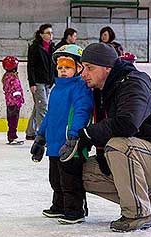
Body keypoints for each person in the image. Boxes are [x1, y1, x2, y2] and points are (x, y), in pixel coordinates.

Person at [60, 43, 151, 232]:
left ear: (108, 68)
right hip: (142, 155)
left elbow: (127, 124)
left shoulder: (132, 84)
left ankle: (137, 213)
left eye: (90, 68)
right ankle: (147, 197)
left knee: (120, 146)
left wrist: (87, 134)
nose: (84, 73)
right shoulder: (101, 91)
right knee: (82, 172)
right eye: (83, 67)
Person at [30, 44, 93, 224]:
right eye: (60, 67)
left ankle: (75, 210)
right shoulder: (57, 89)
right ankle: (59, 206)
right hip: (55, 144)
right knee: (56, 179)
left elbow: (82, 111)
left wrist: (74, 136)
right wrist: (41, 137)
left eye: (68, 67)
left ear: (78, 68)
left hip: (71, 144)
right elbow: (50, 115)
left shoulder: (80, 88)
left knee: (70, 180)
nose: (63, 71)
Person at [25, 24, 55, 141]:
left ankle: (30, 132)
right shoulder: (35, 48)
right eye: (48, 33)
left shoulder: (52, 47)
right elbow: (31, 66)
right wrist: (32, 83)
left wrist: (53, 79)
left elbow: (53, 65)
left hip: (48, 82)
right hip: (38, 82)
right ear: (41, 35)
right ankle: (43, 134)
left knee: (38, 106)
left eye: (51, 33)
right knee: (42, 107)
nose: (50, 35)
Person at [1, 56, 25, 145]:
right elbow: (16, 91)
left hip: (9, 103)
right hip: (14, 103)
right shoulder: (13, 79)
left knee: (11, 120)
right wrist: (20, 100)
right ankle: (12, 136)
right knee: (13, 121)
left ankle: (11, 136)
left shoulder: (6, 77)